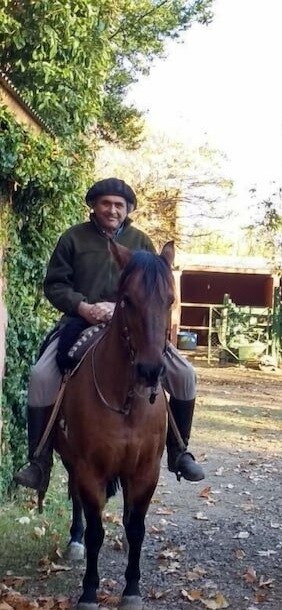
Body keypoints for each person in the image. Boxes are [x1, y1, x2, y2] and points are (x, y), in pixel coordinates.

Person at [13, 177, 205, 495]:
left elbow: (155, 292)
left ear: (128, 209)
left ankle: (179, 451)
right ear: (94, 206)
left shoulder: (141, 242)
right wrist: (84, 307)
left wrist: (120, 308)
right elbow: (55, 285)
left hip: (136, 328)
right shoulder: (73, 238)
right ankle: (39, 460)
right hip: (80, 323)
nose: (112, 210)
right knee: (40, 376)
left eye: (119, 205)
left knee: (185, 374)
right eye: (106, 203)